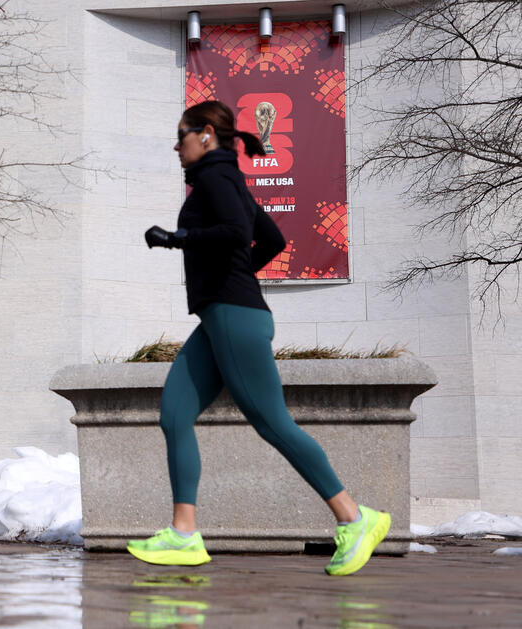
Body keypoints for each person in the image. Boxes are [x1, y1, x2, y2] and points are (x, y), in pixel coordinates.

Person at [127, 100, 390, 576]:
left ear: (205, 134)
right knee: (174, 413)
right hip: (222, 315)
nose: (176, 145)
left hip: (233, 316)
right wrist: (235, 277)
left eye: (181, 135)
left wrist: (176, 239)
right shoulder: (232, 180)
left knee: (273, 424)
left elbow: (232, 232)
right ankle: (184, 535)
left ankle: (355, 517)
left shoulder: (214, 178)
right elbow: (270, 240)